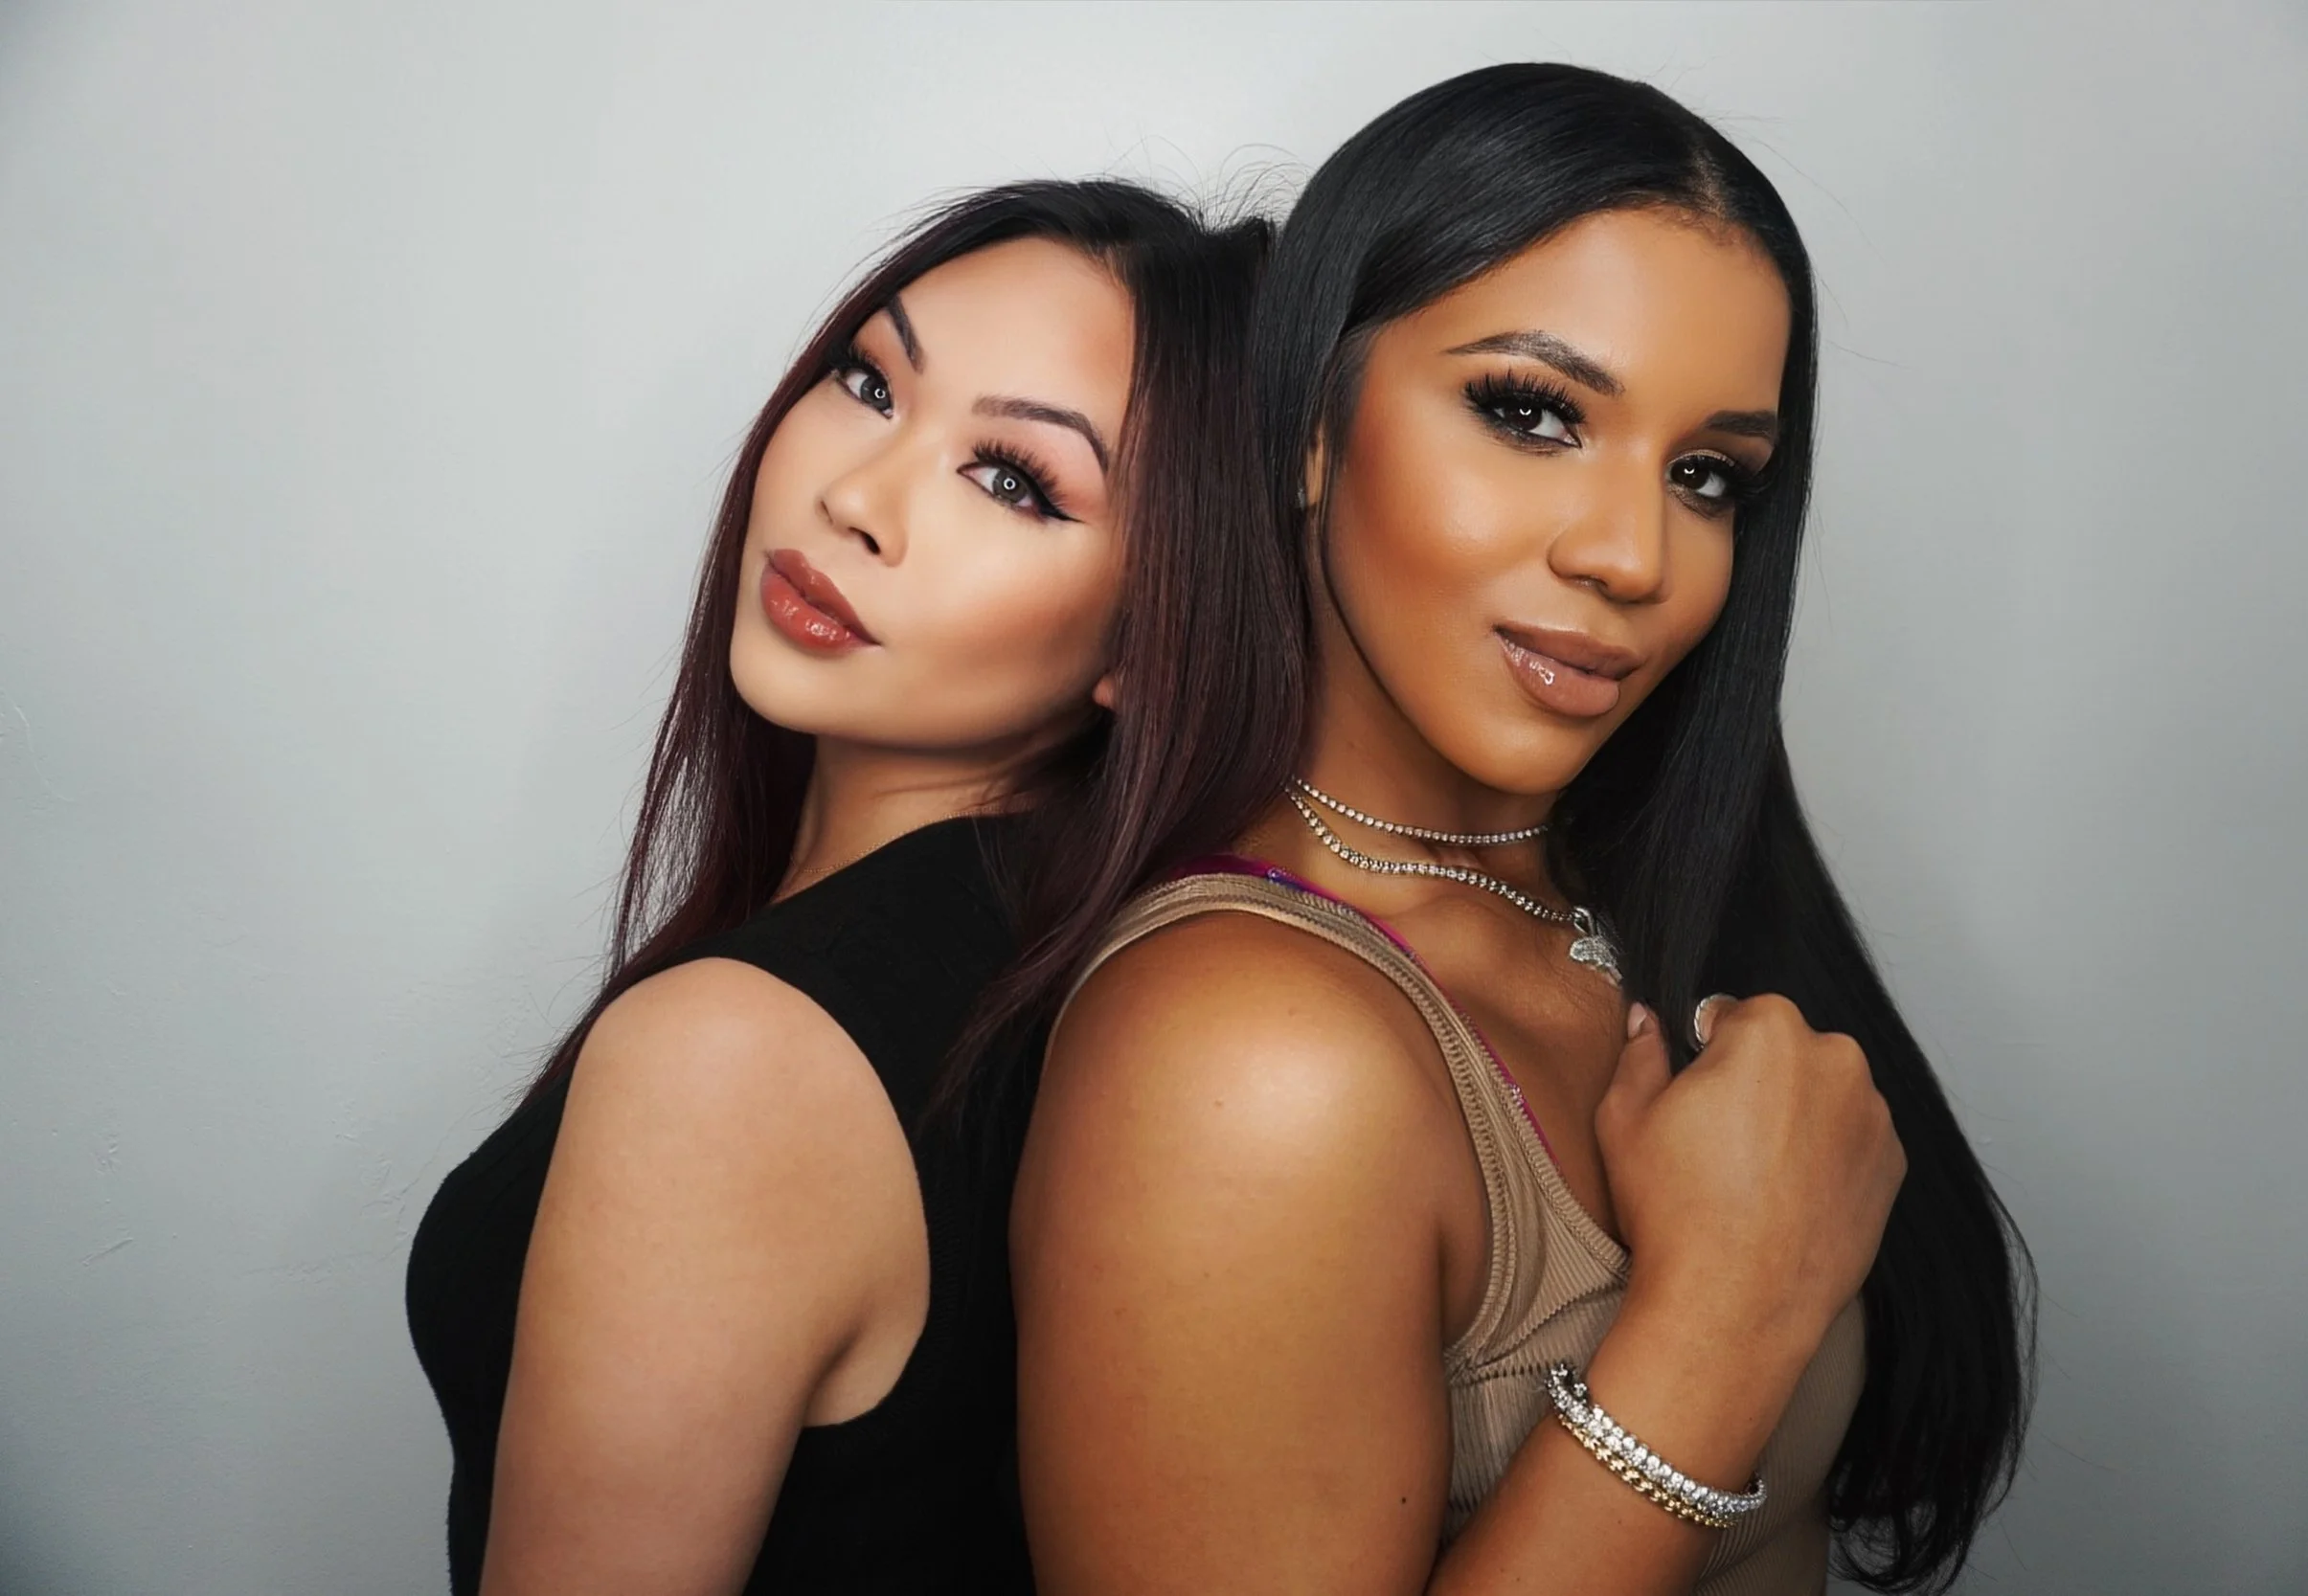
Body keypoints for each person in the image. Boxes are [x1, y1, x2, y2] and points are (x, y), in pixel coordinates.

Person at [1005, 66, 2033, 1595]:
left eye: (1707, 476)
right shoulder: (1246, 1058)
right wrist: (1718, 1325)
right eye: (1531, 411)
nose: (1633, 554)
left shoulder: (1638, 898)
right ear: (1306, 424)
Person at [404, 179, 1274, 1595]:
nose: (854, 497)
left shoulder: (735, 1064)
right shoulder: (1087, 985)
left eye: (1014, 480)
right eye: (871, 380)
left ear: (1156, 636)